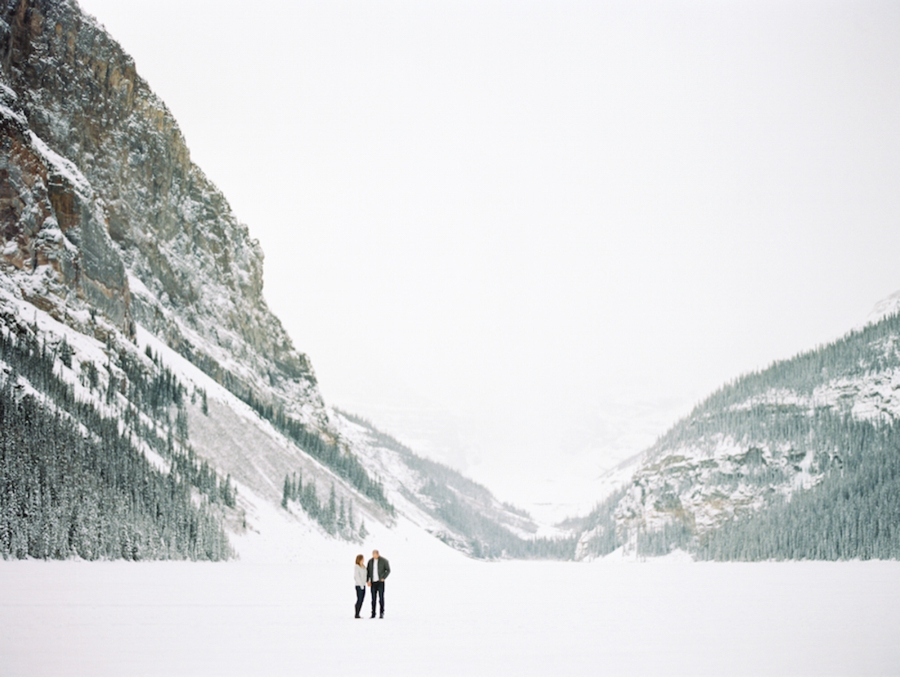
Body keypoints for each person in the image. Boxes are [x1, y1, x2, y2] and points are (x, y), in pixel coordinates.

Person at [366, 549, 390, 619]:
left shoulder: (384, 561)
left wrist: (383, 577)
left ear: (378, 554)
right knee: (373, 598)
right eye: (373, 554)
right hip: (373, 582)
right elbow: (368, 571)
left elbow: (388, 570)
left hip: (380, 582)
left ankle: (381, 612)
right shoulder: (370, 561)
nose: (374, 556)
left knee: (381, 597)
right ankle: (373, 613)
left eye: (375, 554)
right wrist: (368, 580)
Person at [353, 554, 367, 619]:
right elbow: (356, 577)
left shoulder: (363, 567)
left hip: (363, 585)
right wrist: (361, 585)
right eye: (362, 559)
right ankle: (356, 613)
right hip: (359, 585)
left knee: (362, 599)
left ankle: (358, 613)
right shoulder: (357, 567)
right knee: (359, 599)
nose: (363, 560)